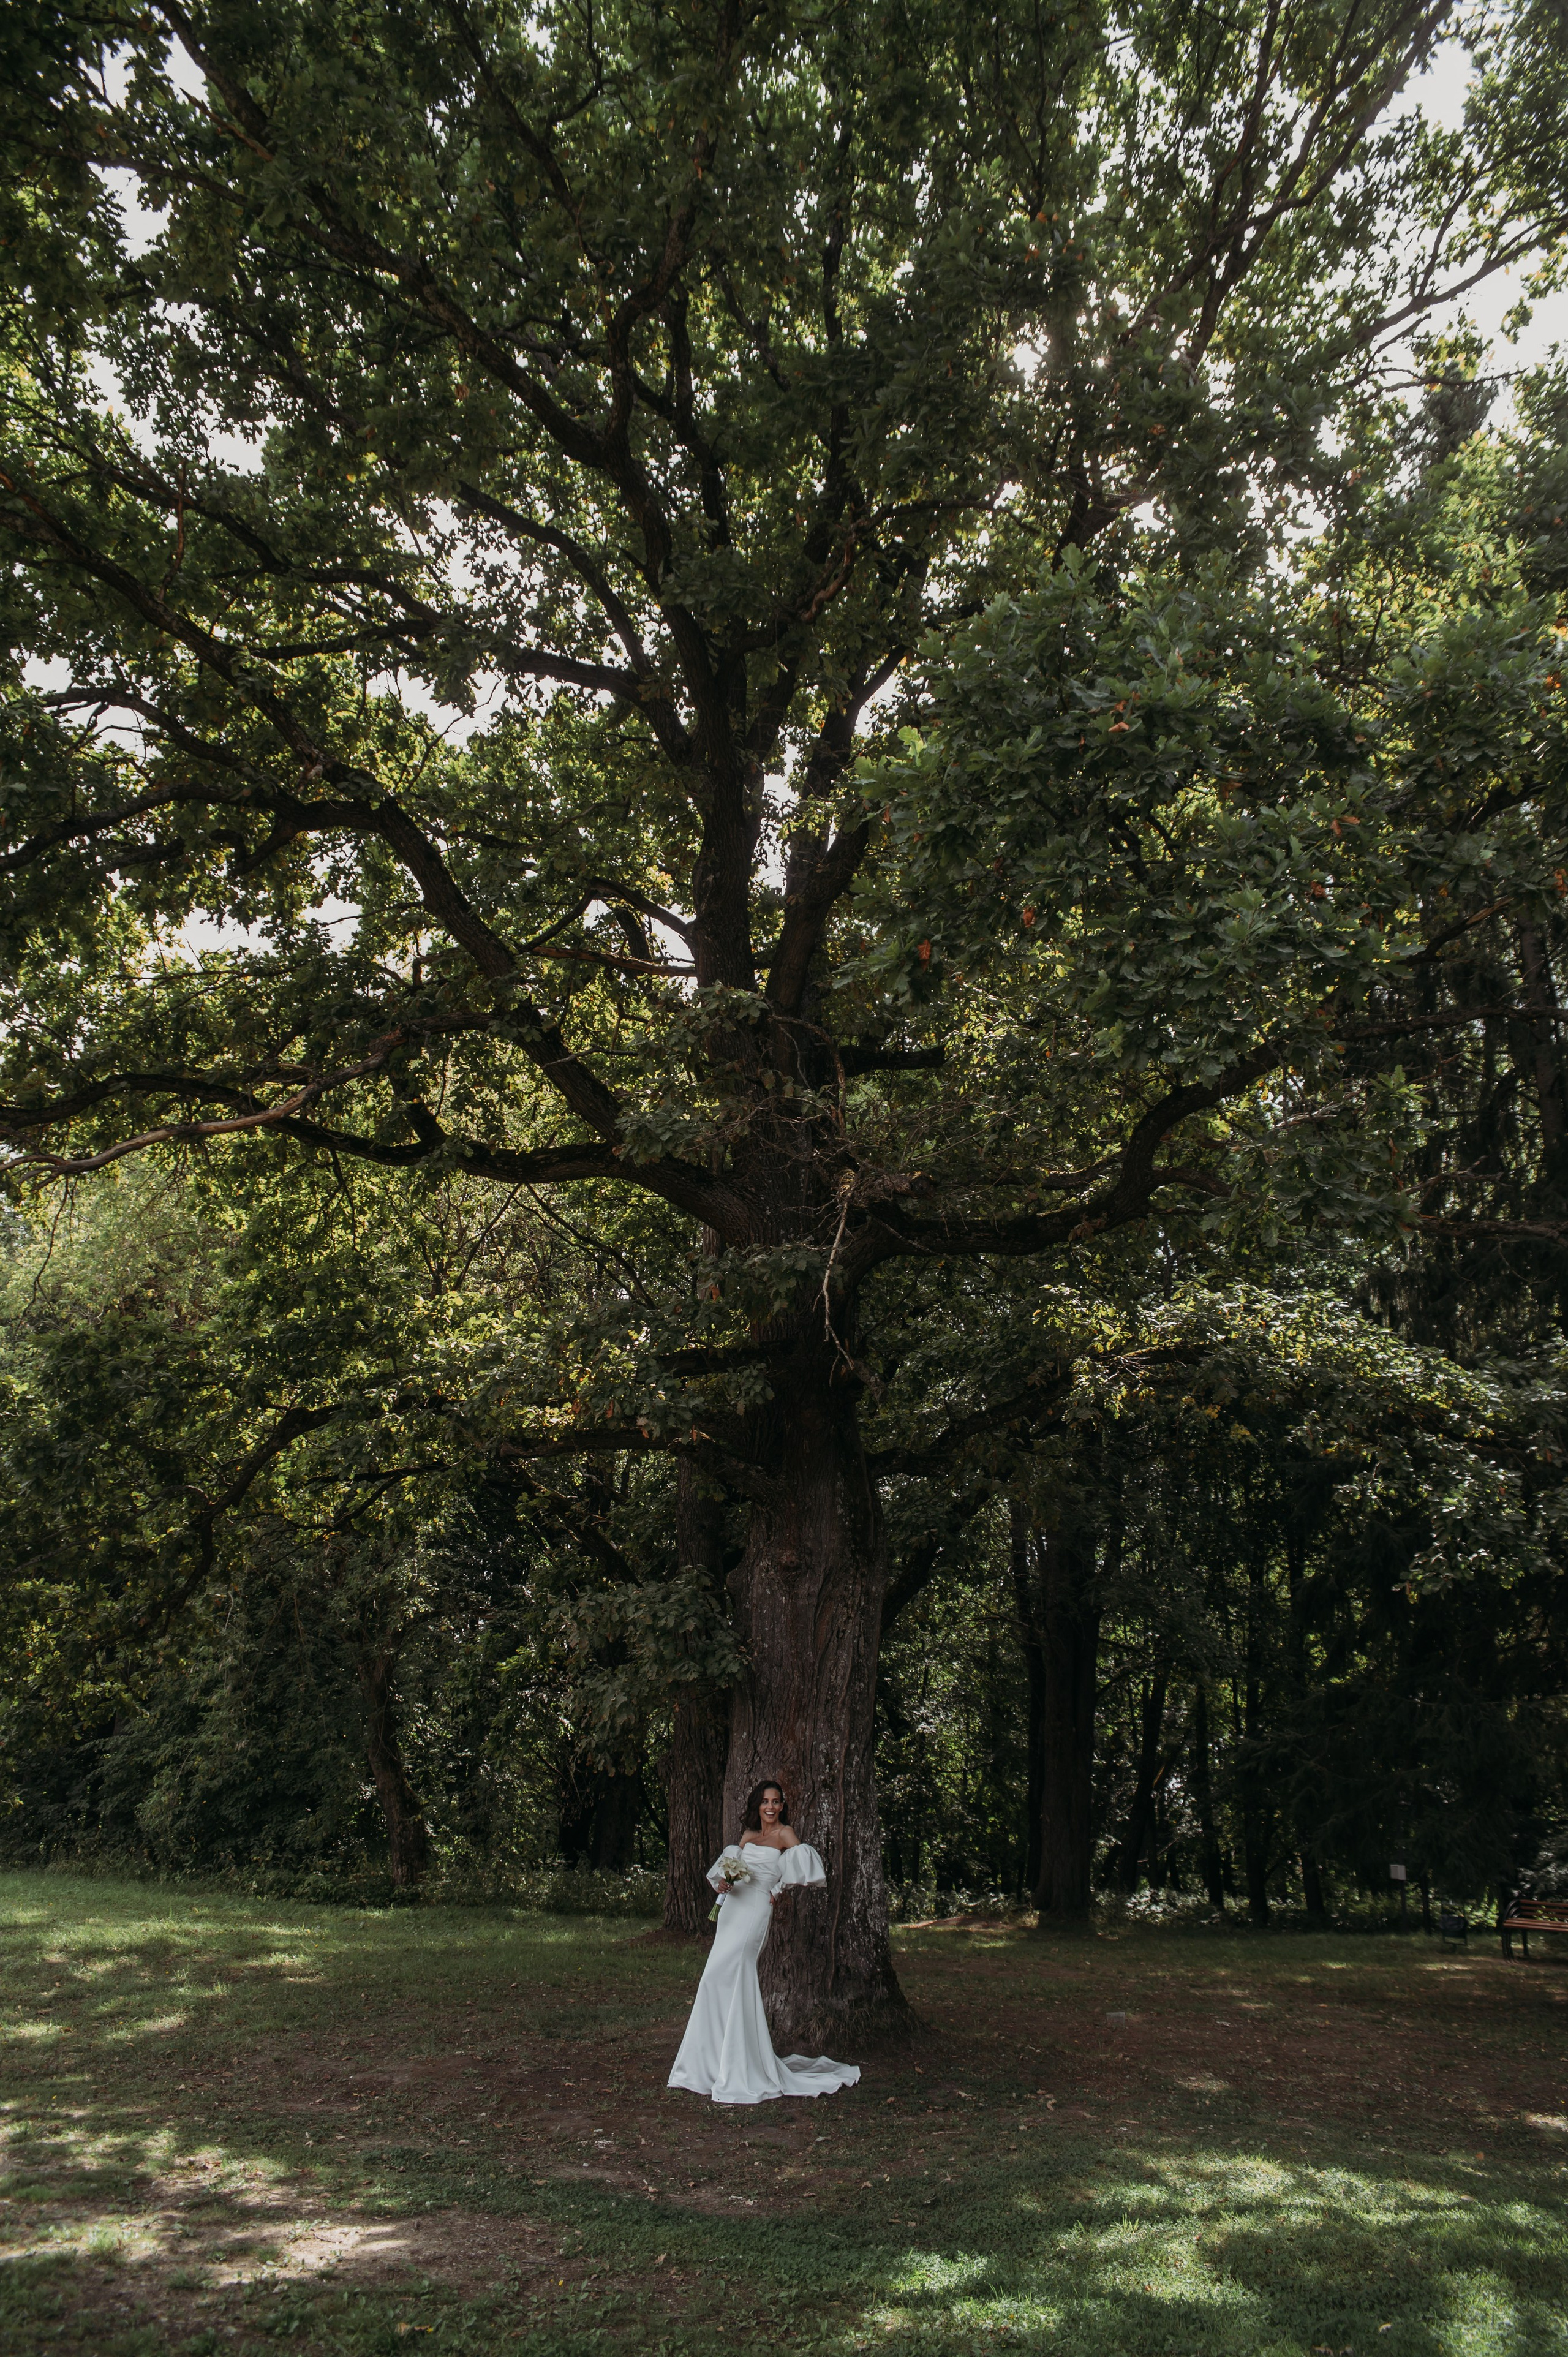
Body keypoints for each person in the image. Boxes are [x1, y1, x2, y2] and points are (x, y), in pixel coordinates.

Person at [666, 1779, 861, 2105]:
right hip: (732, 1909)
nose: (770, 1807)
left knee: (738, 1976)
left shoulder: (786, 1834)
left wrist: (777, 1890)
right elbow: (733, 1871)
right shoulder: (747, 1836)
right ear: (758, 1805)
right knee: (714, 1979)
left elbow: (803, 1869)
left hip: (756, 1910)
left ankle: (742, 2066)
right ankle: (707, 2064)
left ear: (782, 1806)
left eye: (776, 1802)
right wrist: (723, 1886)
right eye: (765, 1801)